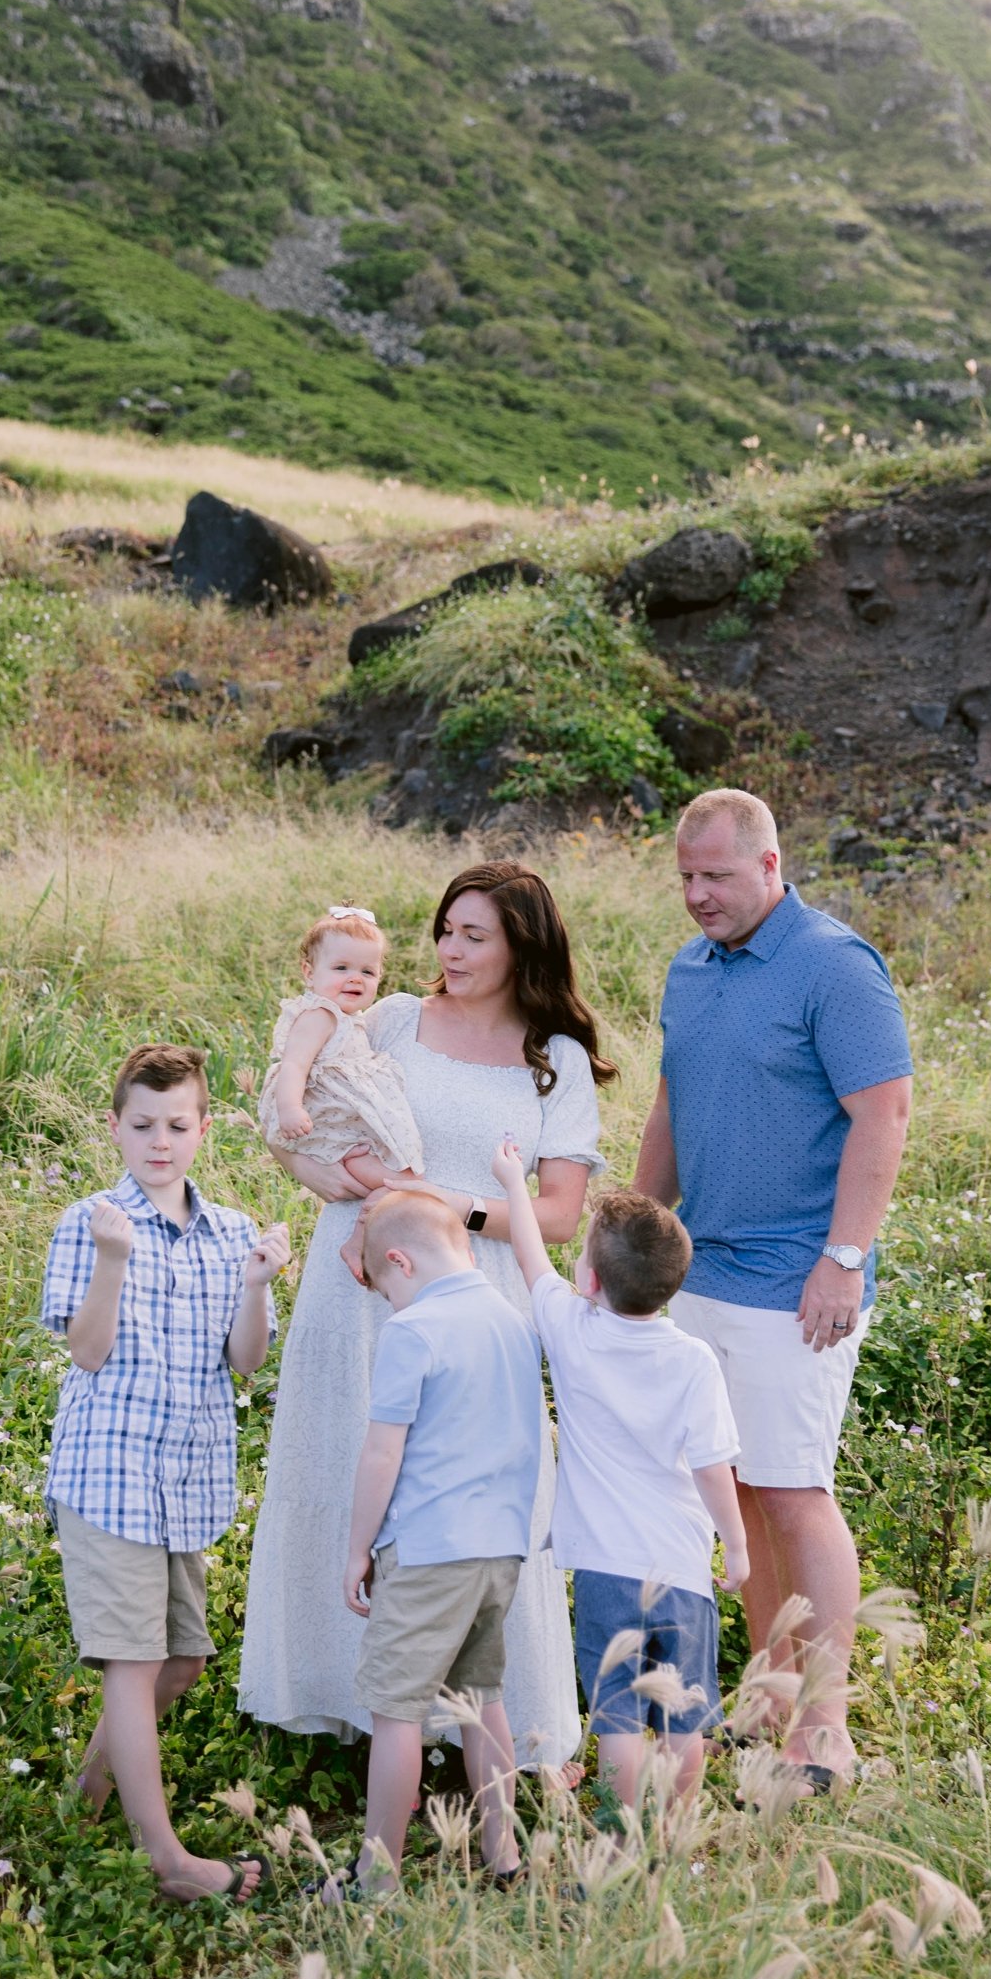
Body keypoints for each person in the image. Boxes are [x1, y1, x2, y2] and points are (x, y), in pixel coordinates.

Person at [240, 864, 609, 1772]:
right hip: (363, 1278)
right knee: (351, 1462)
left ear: (523, 944)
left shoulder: (552, 1056)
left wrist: (442, 1202)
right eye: (446, 928)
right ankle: (340, 1693)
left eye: (475, 934)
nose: (450, 948)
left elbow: (558, 1214)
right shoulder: (393, 1017)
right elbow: (308, 1112)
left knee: (477, 1501)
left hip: (482, 1296)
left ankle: (484, 1718)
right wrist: (322, 1175)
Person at [634, 790, 913, 1786]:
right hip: (699, 1270)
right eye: (684, 878)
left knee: (795, 1493)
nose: (697, 896)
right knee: (739, 1495)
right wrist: (632, 1226)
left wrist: (842, 1259)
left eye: (714, 876)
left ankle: (824, 1728)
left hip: (795, 1279)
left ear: (768, 864)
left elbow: (882, 1114)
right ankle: (767, 1687)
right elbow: (672, 1100)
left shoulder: (831, 966)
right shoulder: (691, 967)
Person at [41, 1041, 291, 1902]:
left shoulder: (227, 1232)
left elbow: (246, 1359)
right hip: (109, 1473)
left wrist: (257, 1283)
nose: (160, 1141)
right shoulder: (90, 1221)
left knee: (180, 1662)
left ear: (202, 1129)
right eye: (142, 1125)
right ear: (115, 1127)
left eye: (176, 1125)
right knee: (133, 1666)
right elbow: (87, 1348)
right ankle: (168, 1859)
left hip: (187, 1480)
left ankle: (84, 1800)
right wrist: (112, 1262)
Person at [492, 1139, 749, 1827]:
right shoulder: (693, 1359)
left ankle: (616, 1841)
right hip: (684, 1569)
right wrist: (739, 1545)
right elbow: (713, 1465)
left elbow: (526, 1252)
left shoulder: (572, 1330)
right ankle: (677, 1830)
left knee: (617, 1721)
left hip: (607, 1568)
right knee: (685, 1716)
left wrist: (514, 1180)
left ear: (594, 1282)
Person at [334, 1186, 541, 1894]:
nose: (391, 1302)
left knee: (395, 1713)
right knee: (481, 1700)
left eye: (386, 1286)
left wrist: (357, 1548)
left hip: (428, 1551)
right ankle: (502, 1851)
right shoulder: (514, 1321)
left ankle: (376, 1878)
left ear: (400, 1260)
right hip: (499, 1551)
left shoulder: (414, 1330)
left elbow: (382, 1453)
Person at [259, 905, 424, 1194]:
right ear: (309, 973)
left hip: (348, 1124)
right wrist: (290, 1108)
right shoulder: (320, 1016)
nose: (355, 978)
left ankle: (372, 1219)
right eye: (341, 968)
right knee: (398, 1180)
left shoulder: (351, 1018)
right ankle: (391, 1202)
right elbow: (294, 1065)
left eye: (367, 971)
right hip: (327, 1124)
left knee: (395, 1174)